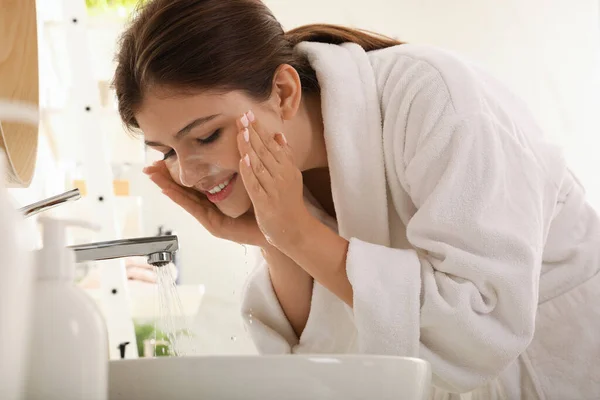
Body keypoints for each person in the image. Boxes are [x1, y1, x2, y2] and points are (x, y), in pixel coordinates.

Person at [112, 0, 600, 398]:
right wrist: (276, 238)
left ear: (283, 92)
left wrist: (299, 233)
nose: (188, 173)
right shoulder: (283, 180)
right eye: (167, 151)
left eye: (206, 136)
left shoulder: (433, 97)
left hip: (563, 368)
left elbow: (481, 327)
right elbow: (323, 367)